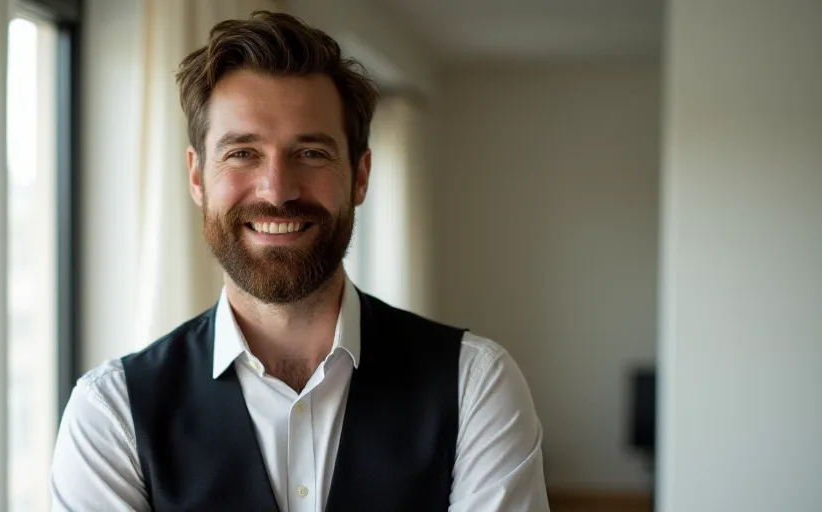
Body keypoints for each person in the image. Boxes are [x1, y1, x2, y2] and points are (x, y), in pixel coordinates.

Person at [50, 11, 549, 512]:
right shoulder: (110, 415)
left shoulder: (475, 385)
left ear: (360, 176)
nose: (277, 191)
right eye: (242, 153)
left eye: (311, 153)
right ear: (197, 177)